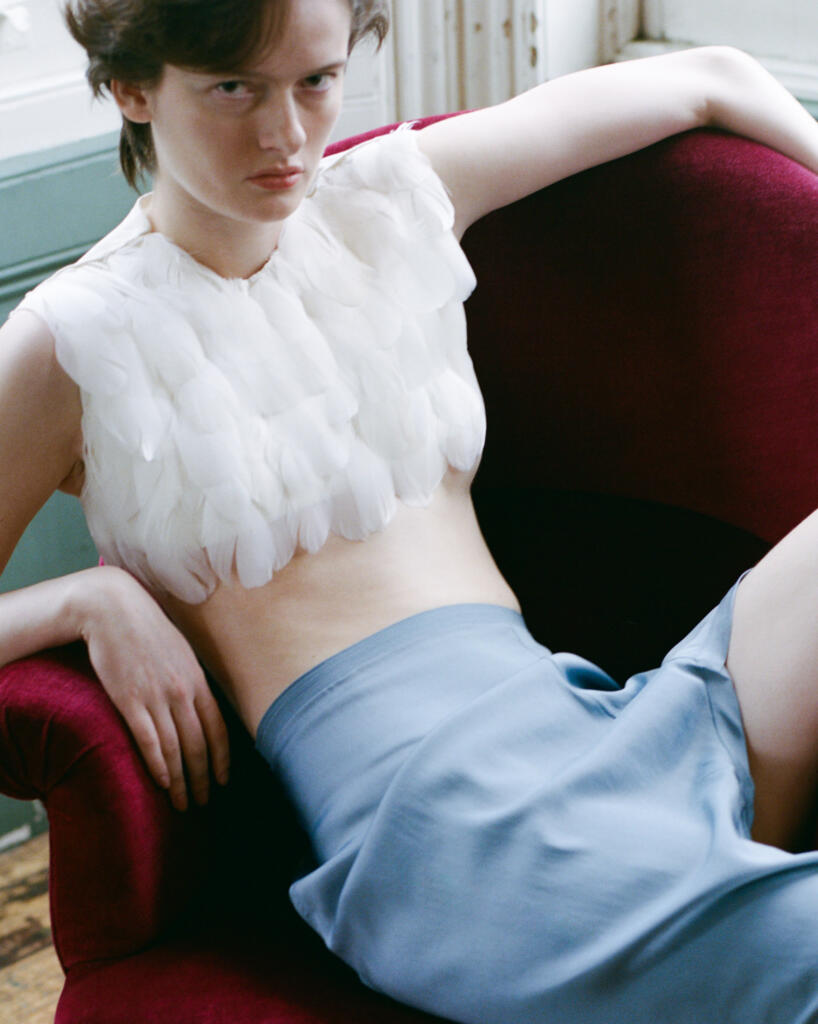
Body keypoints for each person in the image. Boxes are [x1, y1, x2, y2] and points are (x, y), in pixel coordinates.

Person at [2, 0, 818, 1019]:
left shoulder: (387, 197)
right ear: (132, 89)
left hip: (604, 722)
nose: (286, 134)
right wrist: (84, 600)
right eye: (234, 89)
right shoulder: (71, 338)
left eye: (317, 81)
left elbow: (713, 77)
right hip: (443, 837)